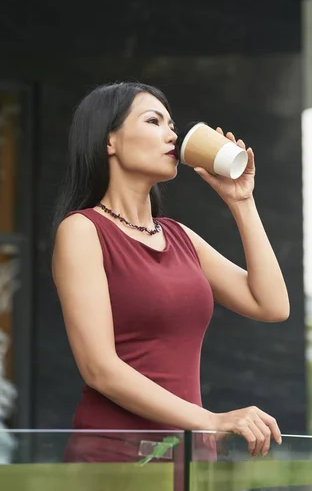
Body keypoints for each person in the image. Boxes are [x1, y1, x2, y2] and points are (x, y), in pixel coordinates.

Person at [52, 81, 290, 464]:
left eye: (172, 124)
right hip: (114, 457)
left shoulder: (180, 237)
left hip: (189, 455)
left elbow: (272, 305)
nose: (172, 135)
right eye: (154, 121)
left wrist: (242, 202)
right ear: (108, 141)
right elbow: (100, 368)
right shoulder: (83, 230)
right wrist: (210, 420)